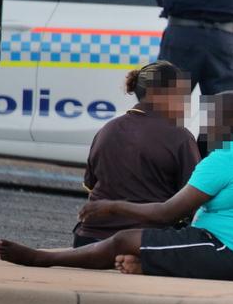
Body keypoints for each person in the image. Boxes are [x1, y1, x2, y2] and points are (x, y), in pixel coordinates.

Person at [0, 91, 233, 286]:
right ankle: (147, 263)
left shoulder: (226, 158)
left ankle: (42, 259)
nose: (206, 128)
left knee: (126, 239)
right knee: (154, 246)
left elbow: (167, 211)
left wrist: (112, 206)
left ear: (225, 124)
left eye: (210, 121)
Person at [72, 61, 200, 247]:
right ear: (157, 95)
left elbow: (92, 185)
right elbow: (192, 201)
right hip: (143, 242)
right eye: (181, 96)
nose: (185, 106)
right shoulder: (180, 137)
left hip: (88, 239)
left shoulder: (108, 129)